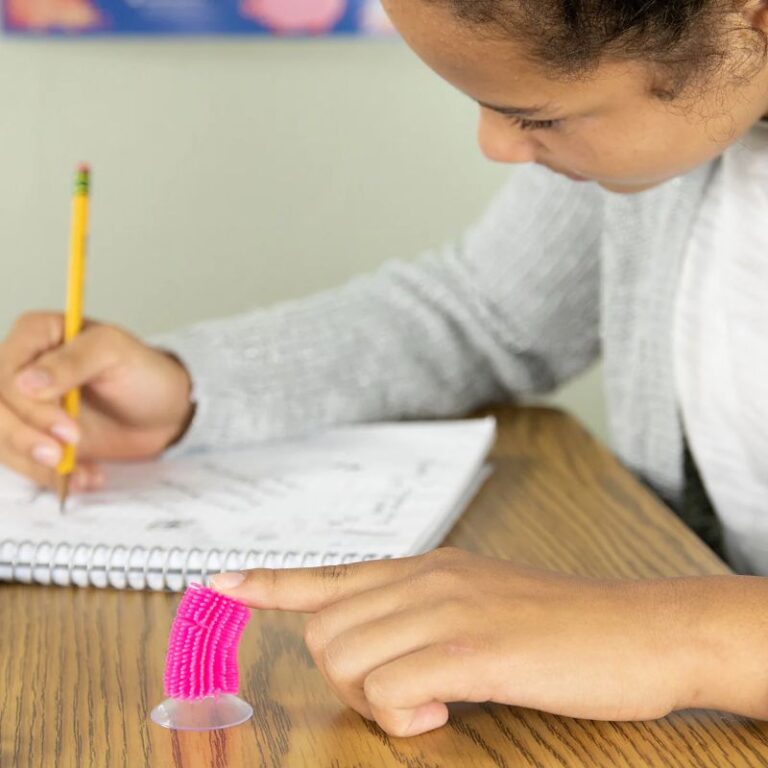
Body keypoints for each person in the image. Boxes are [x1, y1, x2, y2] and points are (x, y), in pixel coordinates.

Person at [2, 0, 768, 737]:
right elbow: (483, 312)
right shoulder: (677, 130)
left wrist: (681, 638)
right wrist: (187, 388)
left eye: (539, 115)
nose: (495, 146)